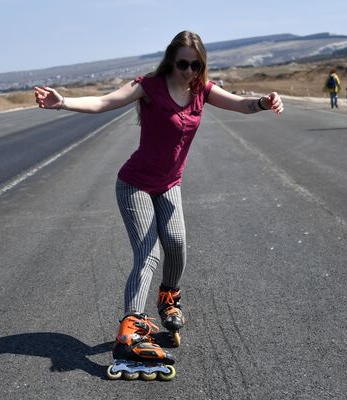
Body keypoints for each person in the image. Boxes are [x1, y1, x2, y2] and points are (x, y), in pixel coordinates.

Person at [34, 31, 283, 380]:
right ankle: (131, 329)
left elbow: (241, 103)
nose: (189, 71)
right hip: (134, 184)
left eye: (196, 65)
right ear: (171, 60)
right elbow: (105, 102)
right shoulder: (148, 86)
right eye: (183, 64)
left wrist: (264, 101)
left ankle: (168, 299)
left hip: (169, 185)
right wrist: (62, 102)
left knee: (177, 243)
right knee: (149, 253)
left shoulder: (202, 90)